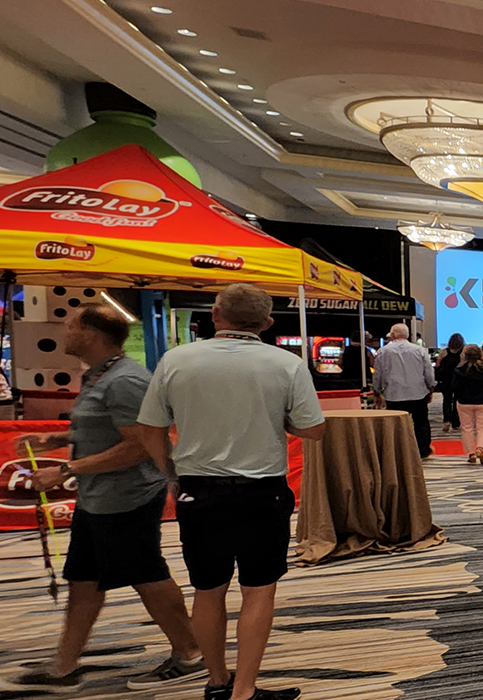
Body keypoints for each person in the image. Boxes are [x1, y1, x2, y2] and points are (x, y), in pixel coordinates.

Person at [135, 283, 327, 700]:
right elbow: (313, 429)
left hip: (198, 491)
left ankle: (217, 681)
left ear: (215, 315)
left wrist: (170, 473)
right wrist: (279, 422)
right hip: (263, 492)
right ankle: (244, 690)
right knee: (259, 590)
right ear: (268, 323)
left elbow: (149, 429)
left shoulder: (176, 360)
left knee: (208, 589)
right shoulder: (285, 363)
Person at [11, 304, 203, 691]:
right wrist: (62, 438)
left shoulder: (125, 381)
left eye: (70, 326)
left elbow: (139, 447)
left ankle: (191, 654)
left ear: (91, 334)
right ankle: (64, 666)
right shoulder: (100, 376)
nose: (64, 332)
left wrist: (65, 470)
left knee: (147, 574)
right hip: (99, 497)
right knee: (83, 579)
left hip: (127, 497)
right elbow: (112, 429)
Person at [373, 323, 436, 459]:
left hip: (394, 394)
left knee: (395, 425)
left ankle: (397, 451)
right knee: (421, 422)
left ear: (393, 335)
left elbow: (378, 374)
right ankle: (423, 450)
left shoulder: (383, 351)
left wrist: (376, 391)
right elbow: (429, 372)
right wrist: (430, 388)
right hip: (418, 392)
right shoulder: (419, 350)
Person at [436, 333, 465, 435]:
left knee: (447, 401)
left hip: (446, 380)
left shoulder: (444, 352)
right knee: (457, 401)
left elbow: (438, 364)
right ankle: (456, 423)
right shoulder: (463, 352)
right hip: (459, 380)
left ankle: (446, 420)